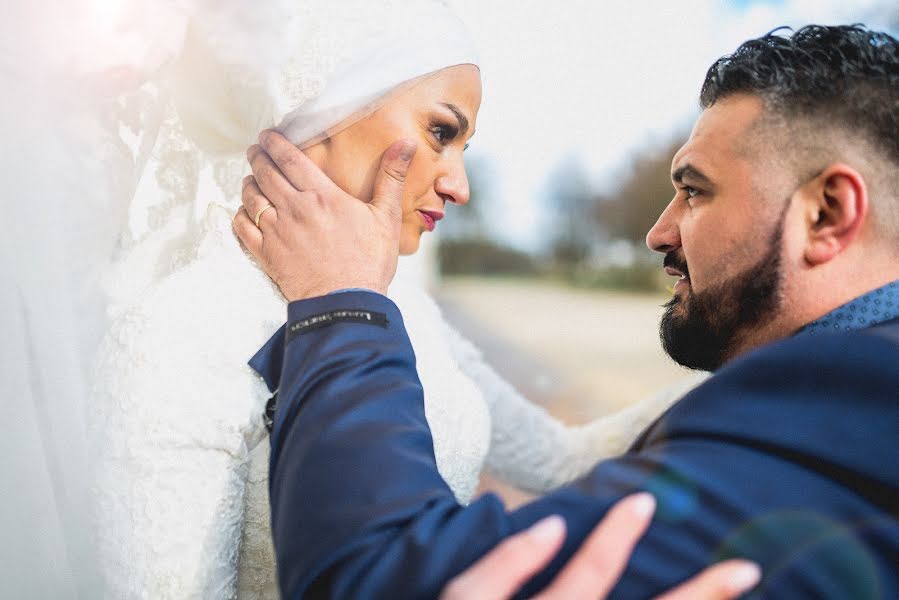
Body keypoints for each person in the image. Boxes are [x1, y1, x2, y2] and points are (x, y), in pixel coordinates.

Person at [234, 24, 899, 598]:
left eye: (693, 192)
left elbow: (377, 580)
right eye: (440, 132)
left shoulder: (836, 408)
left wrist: (338, 305)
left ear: (826, 213)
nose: (657, 233)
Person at [90, 1, 698, 598]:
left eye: (464, 148)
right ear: (327, 111)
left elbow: (561, 459)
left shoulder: (406, 304)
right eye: (441, 132)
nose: (458, 187)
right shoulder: (174, 334)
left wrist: (764, 371)